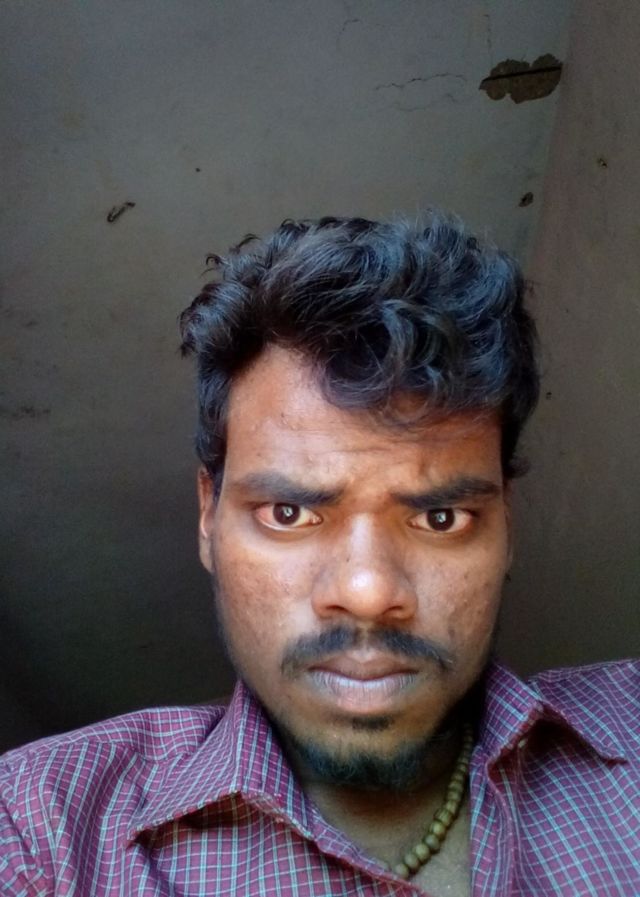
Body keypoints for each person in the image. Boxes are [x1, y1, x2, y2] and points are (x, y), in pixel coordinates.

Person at [1, 214, 637, 897]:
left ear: (506, 520)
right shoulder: (38, 830)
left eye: (439, 517)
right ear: (208, 515)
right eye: (289, 513)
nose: (367, 592)